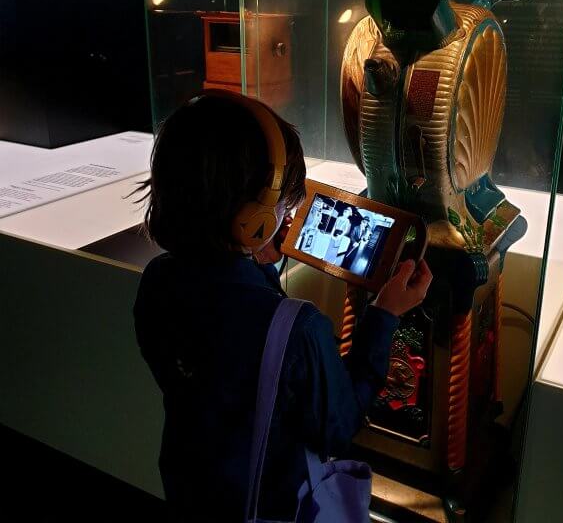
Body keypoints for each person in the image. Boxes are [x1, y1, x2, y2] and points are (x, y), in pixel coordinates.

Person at [133, 90, 432, 522]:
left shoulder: (157, 280)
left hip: (190, 490)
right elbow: (338, 426)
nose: (288, 214)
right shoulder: (298, 328)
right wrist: (385, 315)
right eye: (281, 204)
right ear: (250, 219)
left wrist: (256, 259)